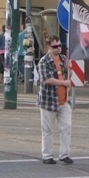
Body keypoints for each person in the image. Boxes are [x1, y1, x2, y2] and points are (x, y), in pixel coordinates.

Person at [36, 34, 73, 165]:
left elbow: (68, 76)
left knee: (66, 128)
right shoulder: (43, 61)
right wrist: (64, 83)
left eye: (59, 45)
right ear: (48, 47)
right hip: (48, 102)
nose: (58, 48)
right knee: (47, 129)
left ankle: (64, 154)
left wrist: (70, 68)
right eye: (55, 46)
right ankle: (47, 155)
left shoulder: (63, 59)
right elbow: (46, 79)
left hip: (64, 101)